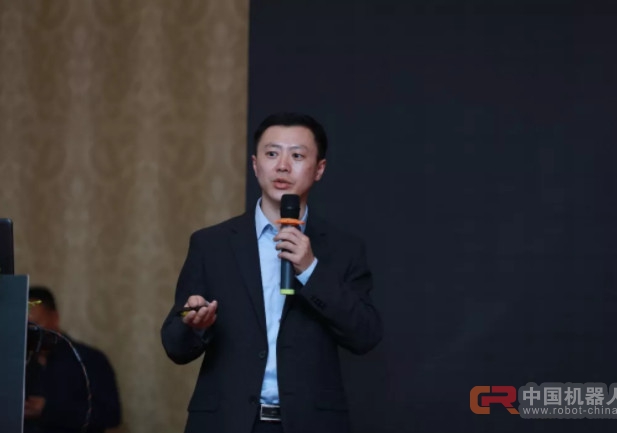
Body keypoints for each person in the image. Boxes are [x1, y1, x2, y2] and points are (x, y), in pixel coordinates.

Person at [161, 112, 383, 433]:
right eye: (271, 153)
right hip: (226, 423)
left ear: (319, 169)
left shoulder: (343, 249)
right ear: (255, 165)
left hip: (311, 424)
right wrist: (192, 321)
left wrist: (311, 271)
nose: (282, 166)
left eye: (297, 156)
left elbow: (366, 335)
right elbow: (174, 339)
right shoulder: (212, 244)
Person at [25, 286, 122, 433]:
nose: (30, 332)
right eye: (25, 327)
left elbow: (111, 415)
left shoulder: (89, 360)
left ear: (54, 317)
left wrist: (49, 409)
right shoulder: (17, 363)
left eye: (36, 325)